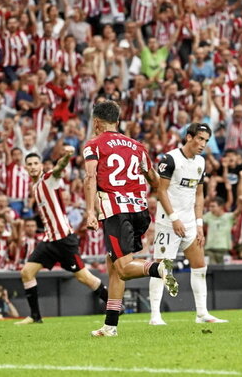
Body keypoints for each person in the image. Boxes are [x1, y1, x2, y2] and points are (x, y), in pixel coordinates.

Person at [82, 100, 171, 337]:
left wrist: (90, 211)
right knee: (113, 267)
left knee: (122, 268)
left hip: (115, 211)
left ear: (97, 122)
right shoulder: (137, 146)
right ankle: (110, 326)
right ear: (118, 121)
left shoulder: (94, 145)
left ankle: (159, 268)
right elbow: (154, 179)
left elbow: (90, 178)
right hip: (140, 212)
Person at [15, 149, 110, 325]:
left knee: (84, 278)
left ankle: (114, 306)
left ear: (41, 166)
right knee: (27, 273)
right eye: (30, 164)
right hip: (49, 240)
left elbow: (59, 169)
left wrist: (66, 156)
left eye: (36, 163)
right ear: (25, 168)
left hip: (64, 240)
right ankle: (35, 316)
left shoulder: (49, 179)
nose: (33, 167)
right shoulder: (35, 187)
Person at [149, 122, 227, 326]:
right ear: (189, 137)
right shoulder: (170, 159)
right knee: (161, 267)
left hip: (191, 223)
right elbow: (161, 191)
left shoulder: (201, 162)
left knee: (200, 266)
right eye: (200, 139)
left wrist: (199, 224)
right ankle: (155, 315)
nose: (203, 144)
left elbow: (199, 195)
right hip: (168, 221)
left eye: (206, 141)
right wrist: (174, 218)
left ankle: (202, 313)